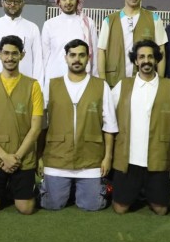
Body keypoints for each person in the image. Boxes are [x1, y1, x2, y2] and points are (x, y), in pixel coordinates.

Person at [39, 39, 117, 211]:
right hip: (57, 158)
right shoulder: (51, 85)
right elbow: (41, 124)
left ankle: (87, 188)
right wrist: (39, 156)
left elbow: (110, 126)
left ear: (88, 58)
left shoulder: (101, 86)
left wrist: (107, 158)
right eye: (72, 55)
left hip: (90, 159)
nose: (77, 59)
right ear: (65, 58)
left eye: (81, 55)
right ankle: (62, 187)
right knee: (52, 204)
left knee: (92, 205)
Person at [110, 39, 170, 215]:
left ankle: (146, 192)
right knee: (120, 209)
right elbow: (107, 114)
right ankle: (135, 190)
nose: (146, 61)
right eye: (142, 57)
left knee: (161, 210)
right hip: (128, 159)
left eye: (150, 57)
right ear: (136, 61)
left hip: (157, 158)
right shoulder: (123, 85)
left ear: (156, 60)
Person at [0, 35, 44, 215]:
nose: (10, 58)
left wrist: (16, 157)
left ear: (22, 55)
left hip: (22, 155)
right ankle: (6, 187)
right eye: (6, 53)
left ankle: (16, 188)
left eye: (14, 53)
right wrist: (4, 156)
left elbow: (36, 128)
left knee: (26, 208)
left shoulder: (33, 86)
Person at [97, 0, 168, 87]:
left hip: (146, 84)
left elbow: (161, 51)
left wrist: (160, 82)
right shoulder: (109, 20)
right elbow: (101, 51)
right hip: (114, 83)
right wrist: (103, 83)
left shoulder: (154, 19)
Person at [40, 0, 99, 90]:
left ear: (77, 0)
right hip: (54, 79)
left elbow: (94, 55)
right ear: (59, 1)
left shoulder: (88, 23)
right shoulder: (49, 25)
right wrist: (43, 85)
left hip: (82, 81)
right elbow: (44, 57)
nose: (68, 2)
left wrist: (95, 81)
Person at [0, 0, 43, 83]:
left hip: (24, 85)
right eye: (9, 1)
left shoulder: (32, 28)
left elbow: (38, 61)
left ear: (23, 3)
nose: (12, 5)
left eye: (17, 1)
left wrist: (38, 86)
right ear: (2, 3)